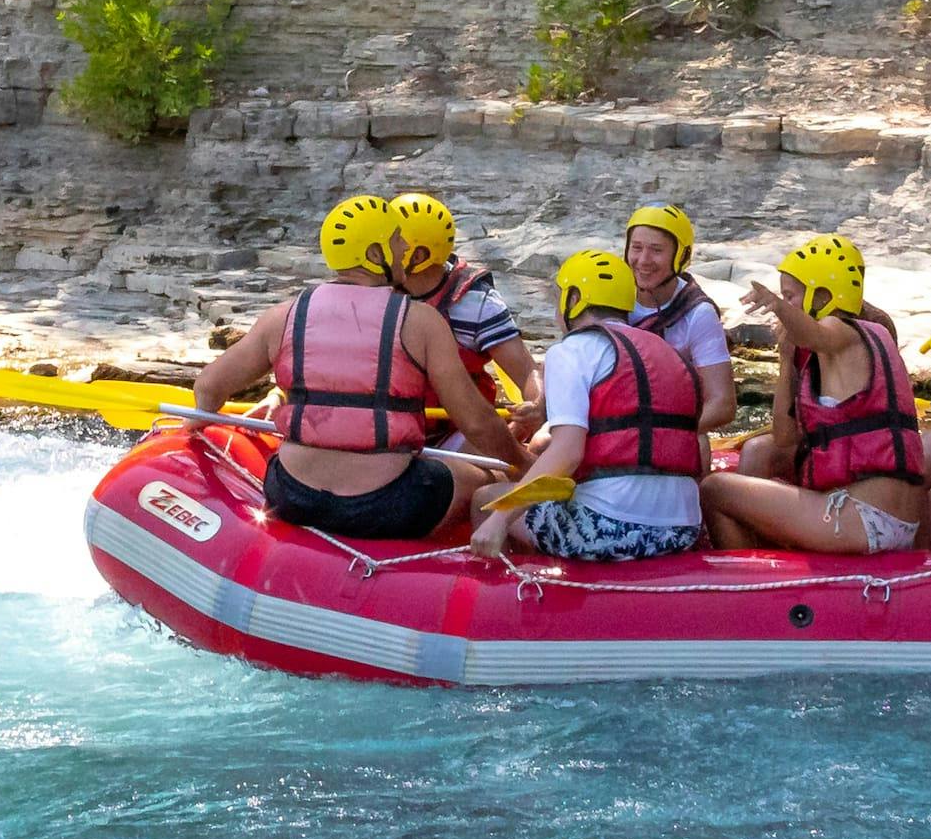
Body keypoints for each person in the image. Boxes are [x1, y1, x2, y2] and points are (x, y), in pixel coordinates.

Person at [189, 195, 508, 546]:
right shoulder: (421, 321)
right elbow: (477, 423)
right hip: (387, 504)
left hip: (292, 496)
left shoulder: (283, 315)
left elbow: (209, 386)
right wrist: (522, 463)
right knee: (484, 478)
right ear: (374, 254)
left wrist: (201, 417)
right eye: (397, 238)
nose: (404, 248)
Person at [476, 250, 714, 568]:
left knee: (486, 499)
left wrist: (501, 517)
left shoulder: (570, 350)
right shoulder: (666, 350)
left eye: (560, 297)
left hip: (611, 528)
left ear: (574, 299)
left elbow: (568, 452)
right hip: (682, 527)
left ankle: (521, 598)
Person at [703, 234, 931, 557]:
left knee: (714, 490)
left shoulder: (847, 332)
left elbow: (816, 332)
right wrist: (785, 358)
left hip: (868, 518)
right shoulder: (829, 355)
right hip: (870, 514)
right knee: (765, 480)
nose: (785, 306)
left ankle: (749, 588)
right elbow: (783, 436)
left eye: (792, 296)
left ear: (822, 296)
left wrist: (777, 306)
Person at [387, 192, 535, 434]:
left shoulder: (477, 304)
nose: (380, 253)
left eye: (392, 244)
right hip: (391, 432)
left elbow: (527, 372)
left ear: (419, 256)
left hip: (459, 434)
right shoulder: (374, 291)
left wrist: (537, 405)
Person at [616, 202, 736, 430]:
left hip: (672, 424)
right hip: (613, 421)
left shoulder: (698, 314)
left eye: (656, 250)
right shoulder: (609, 293)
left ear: (681, 256)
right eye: (637, 248)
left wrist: (665, 435)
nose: (643, 260)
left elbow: (722, 404)